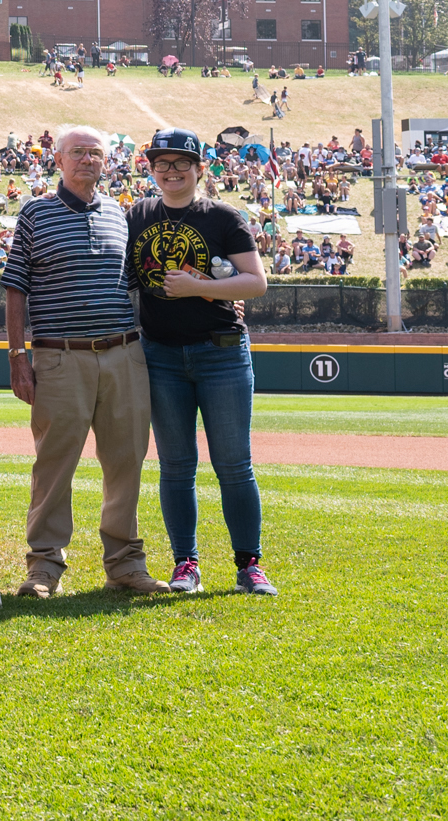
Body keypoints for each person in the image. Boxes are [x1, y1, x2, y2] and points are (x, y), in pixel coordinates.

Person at [4, 125, 168, 597]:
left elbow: (144, 284)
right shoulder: (36, 213)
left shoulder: (121, 214)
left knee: (126, 463)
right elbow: (16, 287)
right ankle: (44, 568)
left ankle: (125, 564)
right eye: (77, 152)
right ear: (57, 160)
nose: (87, 160)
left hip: (123, 353)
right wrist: (18, 356)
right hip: (60, 356)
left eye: (95, 153)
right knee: (54, 466)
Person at [127, 128, 276, 597]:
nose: (170, 172)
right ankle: (185, 564)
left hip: (221, 352)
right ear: (151, 169)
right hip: (160, 354)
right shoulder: (138, 214)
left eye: (180, 163)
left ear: (199, 168)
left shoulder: (223, 216)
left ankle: (249, 564)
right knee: (175, 466)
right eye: (161, 164)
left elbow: (256, 283)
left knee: (234, 465)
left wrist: (200, 288)